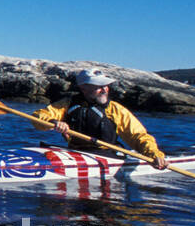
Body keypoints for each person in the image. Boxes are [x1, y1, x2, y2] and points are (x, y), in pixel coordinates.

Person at [32, 69, 169, 169]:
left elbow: (138, 135)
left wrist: (153, 154)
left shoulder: (115, 109)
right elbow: (39, 116)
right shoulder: (67, 104)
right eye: (98, 87)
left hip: (106, 155)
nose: (104, 89)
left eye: (105, 85)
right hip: (75, 152)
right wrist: (52, 122)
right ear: (83, 88)